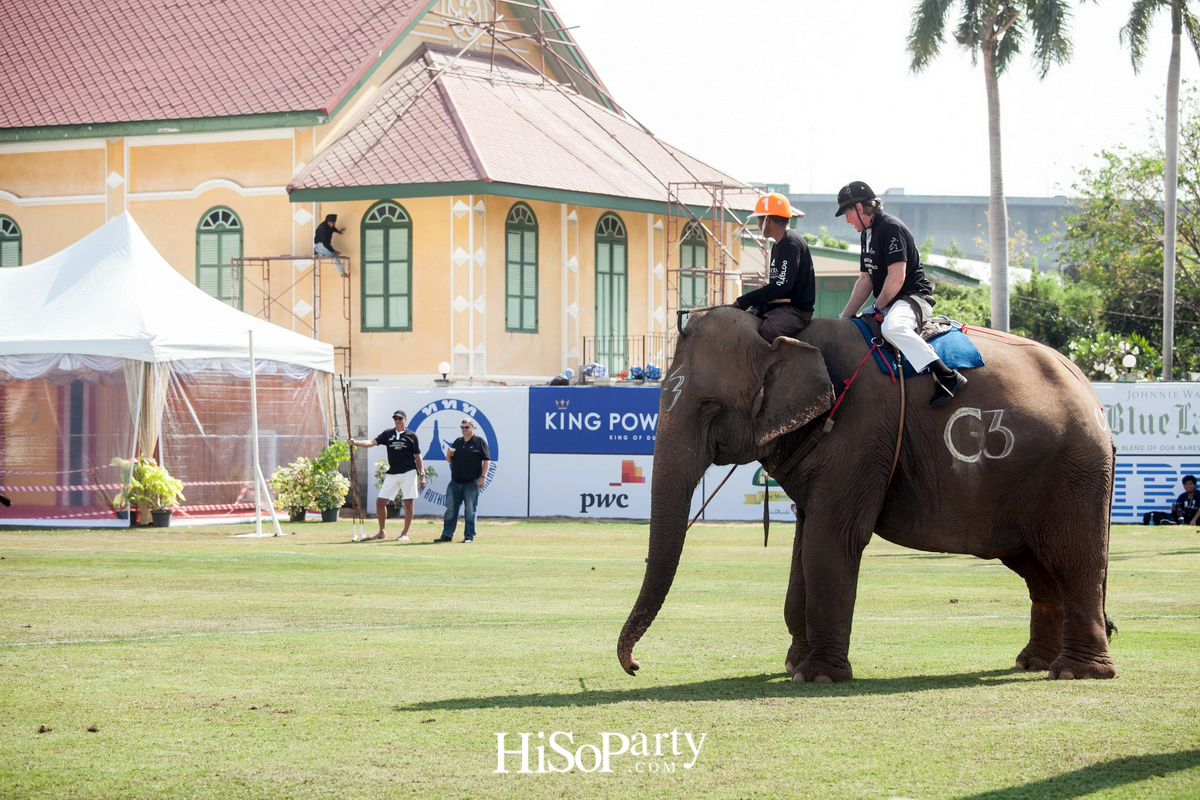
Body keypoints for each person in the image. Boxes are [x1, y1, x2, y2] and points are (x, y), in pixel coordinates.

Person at [836, 180, 967, 408]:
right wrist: (844, 318)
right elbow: (865, 280)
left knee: (892, 328)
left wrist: (877, 307)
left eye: (847, 214)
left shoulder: (891, 228)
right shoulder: (866, 234)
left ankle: (947, 376)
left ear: (859, 208)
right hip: (890, 301)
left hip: (914, 297)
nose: (847, 220)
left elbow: (897, 278)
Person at [729, 192, 816, 342]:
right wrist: (759, 307)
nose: (758, 224)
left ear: (767, 220)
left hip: (796, 311)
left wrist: (743, 301)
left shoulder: (790, 243)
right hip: (780, 308)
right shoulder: (778, 245)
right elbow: (776, 287)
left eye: (759, 219)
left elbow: (782, 285)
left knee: (768, 331)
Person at [350, 409, 425, 541]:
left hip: (409, 472)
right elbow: (372, 443)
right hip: (393, 473)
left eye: (400, 419)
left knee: (408, 502)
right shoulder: (388, 433)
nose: (397, 421)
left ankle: (405, 533)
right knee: (380, 502)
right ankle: (381, 532)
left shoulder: (412, 436)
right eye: (395, 419)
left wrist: (422, 475)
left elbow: (418, 456)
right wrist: (356, 442)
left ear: (405, 420)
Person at [433, 418, 491, 543]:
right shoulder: (457, 442)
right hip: (455, 482)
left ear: (473, 428)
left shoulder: (479, 442)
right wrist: (448, 454)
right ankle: (447, 535)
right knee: (450, 510)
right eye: (462, 427)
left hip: (472, 482)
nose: (464, 429)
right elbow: (449, 461)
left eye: (466, 427)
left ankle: (469, 536)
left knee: (470, 510)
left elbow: (487, 461)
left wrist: (483, 477)